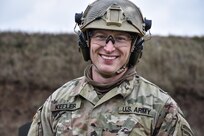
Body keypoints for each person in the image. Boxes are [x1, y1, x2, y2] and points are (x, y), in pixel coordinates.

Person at [28, 0, 194, 135]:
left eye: (120, 38)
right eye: (100, 37)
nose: (108, 48)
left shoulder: (160, 107)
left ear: (135, 48)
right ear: (86, 43)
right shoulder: (57, 102)